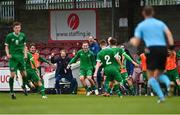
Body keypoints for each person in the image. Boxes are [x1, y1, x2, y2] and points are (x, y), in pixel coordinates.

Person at [130, 6, 174, 103]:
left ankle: (162, 97)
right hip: (163, 49)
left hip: (151, 49)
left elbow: (136, 43)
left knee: (151, 77)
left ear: (143, 13)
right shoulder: (160, 23)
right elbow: (169, 35)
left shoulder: (141, 25)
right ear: (153, 13)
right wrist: (170, 48)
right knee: (159, 74)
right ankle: (168, 83)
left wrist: (132, 41)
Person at [5, 22, 28, 99]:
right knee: (12, 75)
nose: (18, 29)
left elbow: (25, 46)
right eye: (16, 28)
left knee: (24, 74)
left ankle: (24, 87)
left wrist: (25, 54)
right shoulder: (9, 36)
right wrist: (8, 54)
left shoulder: (23, 35)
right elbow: (6, 47)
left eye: (19, 27)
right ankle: (12, 92)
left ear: (20, 28)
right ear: (13, 28)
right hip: (13, 58)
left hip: (21, 57)